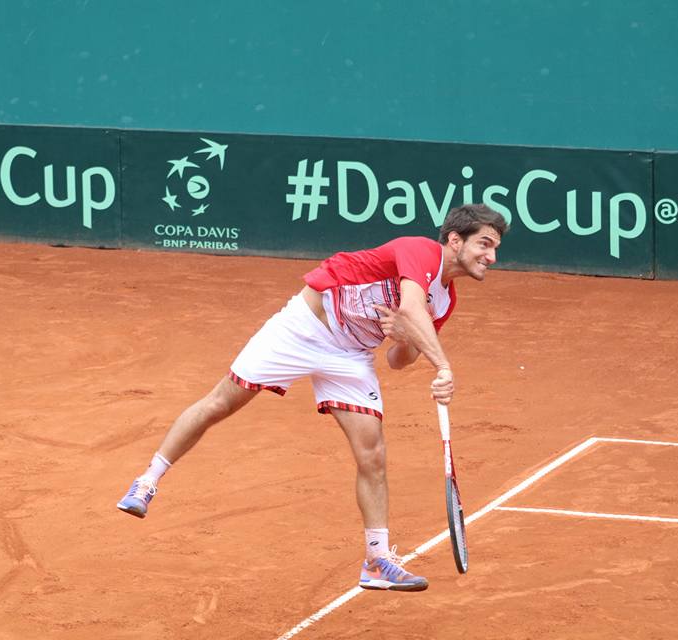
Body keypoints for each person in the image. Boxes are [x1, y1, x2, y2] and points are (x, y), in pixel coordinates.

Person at [117, 204, 508, 592]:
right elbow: (409, 305)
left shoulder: (445, 300)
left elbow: (396, 360)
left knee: (372, 454)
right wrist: (443, 366)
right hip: (302, 328)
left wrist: (406, 338)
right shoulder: (419, 250)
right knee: (220, 403)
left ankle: (377, 560)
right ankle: (147, 481)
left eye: (495, 249)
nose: (491, 257)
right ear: (454, 240)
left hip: (350, 356)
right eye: (485, 245)